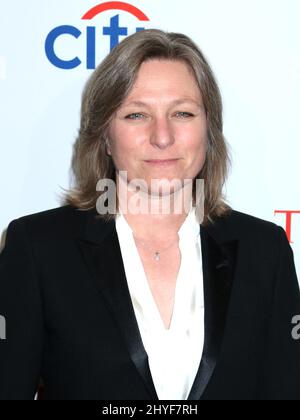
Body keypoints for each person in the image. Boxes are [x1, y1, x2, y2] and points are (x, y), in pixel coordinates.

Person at [0, 29, 299, 401]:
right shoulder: (38, 248)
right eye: (136, 114)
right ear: (105, 137)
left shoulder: (265, 250)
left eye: (183, 113)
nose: (162, 136)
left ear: (209, 130)